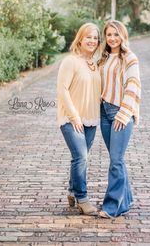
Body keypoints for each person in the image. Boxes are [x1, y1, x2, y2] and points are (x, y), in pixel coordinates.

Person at [98, 20, 141, 218]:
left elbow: (132, 85)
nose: (112, 38)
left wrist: (124, 114)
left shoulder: (129, 58)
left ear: (122, 36)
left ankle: (112, 206)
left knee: (116, 160)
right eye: (109, 35)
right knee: (117, 159)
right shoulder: (104, 57)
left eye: (116, 34)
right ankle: (127, 199)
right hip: (104, 111)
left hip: (120, 112)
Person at [57, 23, 101, 215]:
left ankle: (71, 191)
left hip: (91, 119)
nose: (92, 41)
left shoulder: (97, 63)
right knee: (81, 157)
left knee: (79, 158)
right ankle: (82, 199)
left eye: (95, 38)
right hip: (70, 118)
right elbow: (62, 90)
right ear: (80, 39)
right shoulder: (70, 61)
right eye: (88, 37)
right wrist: (74, 116)